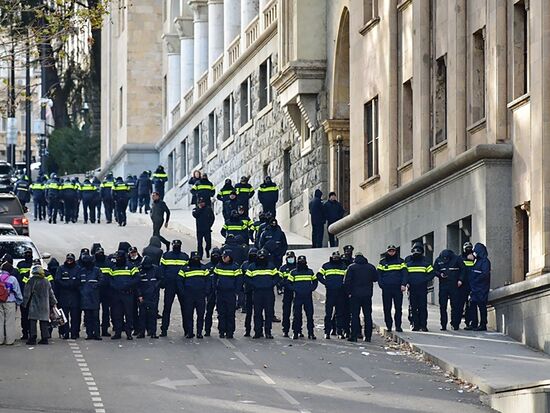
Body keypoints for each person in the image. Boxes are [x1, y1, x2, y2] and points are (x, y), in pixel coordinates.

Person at [245, 249, 280, 339]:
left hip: (268, 292)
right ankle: (258, 332)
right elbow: (247, 278)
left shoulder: (271, 266)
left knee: (268, 313)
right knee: (257, 313)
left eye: (263, 257)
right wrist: (255, 284)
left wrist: (271, 283)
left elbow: (277, 277)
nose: (261, 258)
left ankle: (268, 332)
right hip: (257, 292)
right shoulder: (252, 266)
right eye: (260, 257)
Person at [345, 253, 378, 342]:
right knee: (367, 315)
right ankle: (368, 337)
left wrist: (349, 293)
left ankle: (354, 336)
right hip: (367, 295)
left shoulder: (351, 267)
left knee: (355, 315)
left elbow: (346, 282)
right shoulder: (371, 267)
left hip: (355, 295)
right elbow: (375, 278)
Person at [159, 240, 188, 336]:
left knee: (185, 308)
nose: (176, 246)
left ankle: (187, 330)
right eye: (175, 245)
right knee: (167, 308)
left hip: (181, 285)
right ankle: (164, 329)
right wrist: (163, 282)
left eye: (177, 245)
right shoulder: (166, 256)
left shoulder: (185, 257)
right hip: (170, 284)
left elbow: (188, 270)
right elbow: (162, 270)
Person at [178, 251, 209, 338]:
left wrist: (206, 291)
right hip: (189, 295)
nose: (196, 260)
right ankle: (189, 332)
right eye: (194, 258)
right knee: (188, 314)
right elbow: (179, 281)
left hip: (200, 295)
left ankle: (199, 332)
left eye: (197, 258)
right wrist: (182, 292)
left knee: (200, 314)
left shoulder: (203, 268)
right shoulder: (184, 268)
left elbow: (208, 281)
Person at [23, 265, 57, 345]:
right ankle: (45, 338)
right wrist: (54, 302)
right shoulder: (46, 281)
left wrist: (24, 304)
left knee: (33, 321)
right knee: (44, 321)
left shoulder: (31, 281)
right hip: (44, 305)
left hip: (34, 305)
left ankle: (32, 337)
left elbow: (27, 294)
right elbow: (51, 294)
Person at [109, 250, 139, 340]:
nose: (117, 259)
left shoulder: (131, 267)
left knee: (128, 314)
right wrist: (116, 286)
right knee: (117, 314)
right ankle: (118, 333)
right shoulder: (113, 268)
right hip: (117, 294)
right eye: (116, 258)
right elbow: (110, 280)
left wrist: (127, 285)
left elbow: (137, 278)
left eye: (118, 258)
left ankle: (128, 333)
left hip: (128, 294)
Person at [377, 245, 407, 333]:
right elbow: (379, 275)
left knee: (398, 308)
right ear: (387, 252)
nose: (391, 253)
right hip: (386, 288)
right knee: (387, 308)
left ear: (395, 251)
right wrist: (382, 285)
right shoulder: (382, 262)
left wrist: (403, 284)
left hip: (398, 288)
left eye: (393, 251)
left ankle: (398, 326)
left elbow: (405, 274)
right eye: (390, 251)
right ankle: (389, 326)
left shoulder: (401, 261)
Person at [317, 251, 348, 339]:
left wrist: (343, 285)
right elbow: (319, 275)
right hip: (330, 293)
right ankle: (327, 332)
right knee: (328, 314)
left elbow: (347, 277)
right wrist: (326, 283)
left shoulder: (343, 266)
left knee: (340, 314)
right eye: (334, 257)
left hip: (340, 293)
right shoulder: (326, 266)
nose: (336, 259)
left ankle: (339, 332)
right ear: (332, 257)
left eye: (337, 257)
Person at [405, 243, 434, 332]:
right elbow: (404, 275)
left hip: (422, 288)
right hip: (412, 289)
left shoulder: (425, 264)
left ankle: (423, 325)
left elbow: (432, 273)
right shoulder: (408, 264)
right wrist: (407, 283)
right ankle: (415, 325)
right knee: (413, 307)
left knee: (422, 307)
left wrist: (425, 280)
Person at [213, 250, 242, 339]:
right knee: (221, 313)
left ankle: (230, 332)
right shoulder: (218, 266)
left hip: (230, 293)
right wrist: (215, 288)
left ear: (230, 257)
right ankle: (221, 331)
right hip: (220, 293)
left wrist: (236, 291)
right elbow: (214, 278)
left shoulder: (235, 267)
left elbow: (239, 280)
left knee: (230, 313)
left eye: (226, 256)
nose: (224, 258)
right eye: (223, 256)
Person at [434, 249, 465, 331]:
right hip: (443, 285)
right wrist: (440, 274)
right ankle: (443, 325)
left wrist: (460, 280)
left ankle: (455, 324)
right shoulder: (438, 260)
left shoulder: (457, 259)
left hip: (454, 285)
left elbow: (463, 269)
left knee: (455, 305)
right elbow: (434, 270)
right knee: (442, 306)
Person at [288, 255, 317, 340]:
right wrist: (295, 289)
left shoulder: (310, 272)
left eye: (303, 262)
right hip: (298, 296)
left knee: (310, 315)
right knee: (296, 316)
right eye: (300, 262)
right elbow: (289, 283)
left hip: (308, 297)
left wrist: (311, 289)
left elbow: (315, 281)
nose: (302, 263)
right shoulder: (293, 272)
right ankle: (296, 332)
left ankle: (311, 333)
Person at [465, 243, 491, 332]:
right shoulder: (477, 261)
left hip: (481, 288)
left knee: (482, 306)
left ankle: (483, 324)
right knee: (472, 305)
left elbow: (485, 274)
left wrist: (476, 281)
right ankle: (474, 323)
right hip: (475, 288)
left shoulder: (485, 262)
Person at [55, 253, 82, 339]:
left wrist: (73, 285)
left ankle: (74, 333)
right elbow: (58, 280)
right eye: (68, 259)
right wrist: (66, 285)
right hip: (64, 296)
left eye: (71, 259)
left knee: (75, 317)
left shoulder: (78, 269)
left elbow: (79, 280)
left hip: (75, 295)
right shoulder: (61, 268)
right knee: (64, 316)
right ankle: (65, 333)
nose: (69, 261)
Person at [136, 256, 162, 339]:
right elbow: (137, 284)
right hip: (143, 296)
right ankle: (141, 332)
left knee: (153, 314)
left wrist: (155, 287)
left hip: (153, 295)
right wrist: (139, 295)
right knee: (142, 315)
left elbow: (161, 279)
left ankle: (153, 332)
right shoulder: (139, 270)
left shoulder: (156, 269)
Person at [79, 254, 103, 340]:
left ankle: (97, 334)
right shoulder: (82, 271)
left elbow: (101, 280)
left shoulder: (96, 271)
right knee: (88, 317)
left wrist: (94, 286)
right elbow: (79, 283)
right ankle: (89, 334)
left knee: (95, 317)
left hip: (94, 297)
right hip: (85, 298)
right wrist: (82, 291)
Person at [92, 245, 112, 337]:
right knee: (95, 311)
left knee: (106, 312)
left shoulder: (108, 262)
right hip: (96, 290)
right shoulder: (93, 262)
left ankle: (104, 330)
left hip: (106, 291)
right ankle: (95, 330)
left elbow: (112, 276)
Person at [0, 270, 23, 345]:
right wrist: (19, 302)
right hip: (10, 301)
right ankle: (9, 340)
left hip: (0, 302)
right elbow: (17, 291)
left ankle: (0, 340)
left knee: (0, 321)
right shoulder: (13, 279)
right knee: (10, 322)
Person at [278, 251, 296, 338]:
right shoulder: (283, 268)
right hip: (287, 291)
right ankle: (285, 329)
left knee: (297, 312)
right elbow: (279, 279)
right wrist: (284, 285)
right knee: (286, 311)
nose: (291, 259)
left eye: (292, 257)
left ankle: (297, 329)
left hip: (296, 291)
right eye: (289, 258)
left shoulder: (298, 267)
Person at [204, 248, 222, 337]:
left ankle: (221, 330)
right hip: (210, 292)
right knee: (209, 312)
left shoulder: (222, 266)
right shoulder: (207, 266)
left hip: (220, 292)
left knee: (221, 312)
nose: (215, 256)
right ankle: (207, 330)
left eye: (217, 255)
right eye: (214, 255)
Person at [241, 248, 257, 337]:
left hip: (258, 291)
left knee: (258, 313)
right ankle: (247, 330)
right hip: (248, 291)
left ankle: (258, 330)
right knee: (249, 313)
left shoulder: (259, 265)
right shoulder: (245, 265)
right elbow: (241, 276)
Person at [460, 242, 475, 328]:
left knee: (470, 305)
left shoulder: (474, 258)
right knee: (461, 304)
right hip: (463, 284)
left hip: (472, 284)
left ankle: (469, 322)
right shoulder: (460, 258)